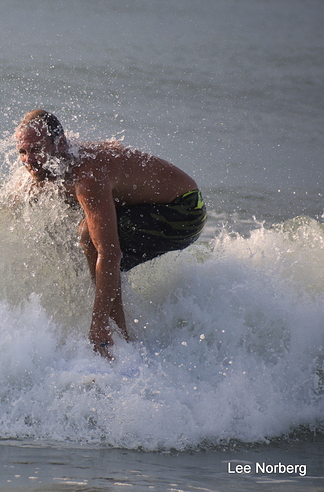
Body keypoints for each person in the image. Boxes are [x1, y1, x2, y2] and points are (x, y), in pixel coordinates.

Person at [13, 109, 206, 358]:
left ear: (59, 143)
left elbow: (109, 253)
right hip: (152, 203)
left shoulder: (87, 175)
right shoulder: (60, 159)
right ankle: (120, 333)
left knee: (88, 236)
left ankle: (113, 337)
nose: (29, 159)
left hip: (184, 211)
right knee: (75, 222)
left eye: (36, 149)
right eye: (22, 152)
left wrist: (99, 324)